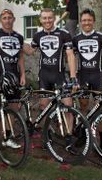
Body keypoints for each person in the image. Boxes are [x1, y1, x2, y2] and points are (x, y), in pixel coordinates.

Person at [24, 8, 78, 151]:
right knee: (44, 106)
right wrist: (17, 41)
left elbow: (70, 55)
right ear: (40, 20)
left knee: (68, 106)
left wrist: (73, 77)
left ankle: (68, 138)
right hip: (44, 76)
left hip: (60, 75)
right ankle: (47, 135)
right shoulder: (38, 35)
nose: (47, 20)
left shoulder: (64, 33)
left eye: (49, 18)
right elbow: (30, 50)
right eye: (44, 18)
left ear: (54, 18)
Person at [72, 8, 102, 154]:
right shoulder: (76, 39)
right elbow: (72, 58)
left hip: (98, 77)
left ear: (93, 21)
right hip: (82, 77)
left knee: (101, 109)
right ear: (81, 22)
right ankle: (82, 135)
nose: (86, 22)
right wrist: (73, 78)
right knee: (84, 106)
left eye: (89, 20)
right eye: (84, 20)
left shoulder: (101, 37)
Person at [0, 9, 25, 152]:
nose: (7, 20)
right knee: (0, 110)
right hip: (0, 77)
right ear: (0, 20)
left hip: (14, 78)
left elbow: (21, 56)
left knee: (13, 109)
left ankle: (8, 138)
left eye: (10, 18)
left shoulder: (19, 37)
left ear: (14, 19)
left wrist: (23, 75)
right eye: (4, 18)